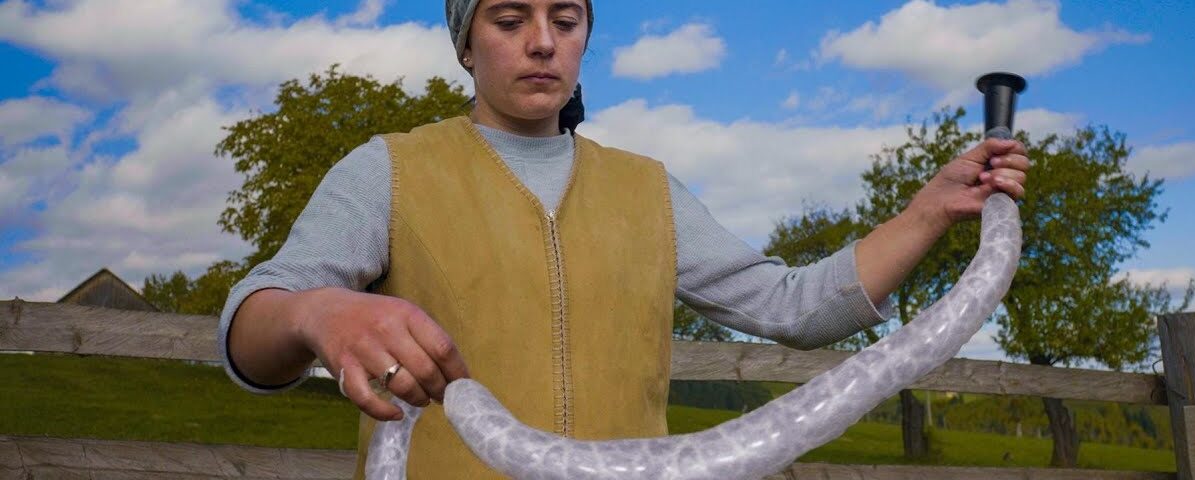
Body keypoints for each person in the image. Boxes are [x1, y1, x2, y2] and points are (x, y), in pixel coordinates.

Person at [217, 0, 1031, 478]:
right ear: (466, 43)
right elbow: (251, 334)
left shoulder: (646, 186)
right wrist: (318, 314)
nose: (543, 40)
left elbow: (796, 307)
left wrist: (929, 210)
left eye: (565, 20)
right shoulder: (389, 169)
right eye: (510, 19)